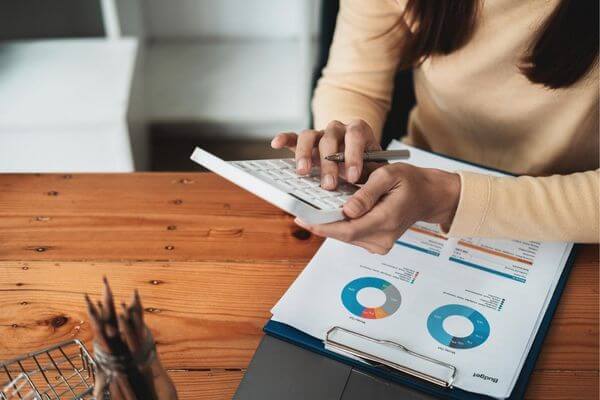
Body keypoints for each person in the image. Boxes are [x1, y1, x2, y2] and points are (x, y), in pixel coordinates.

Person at [271, 0, 599, 255]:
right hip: (417, 189)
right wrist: (347, 140)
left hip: (570, 211)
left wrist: (451, 198)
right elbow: (354, 85)